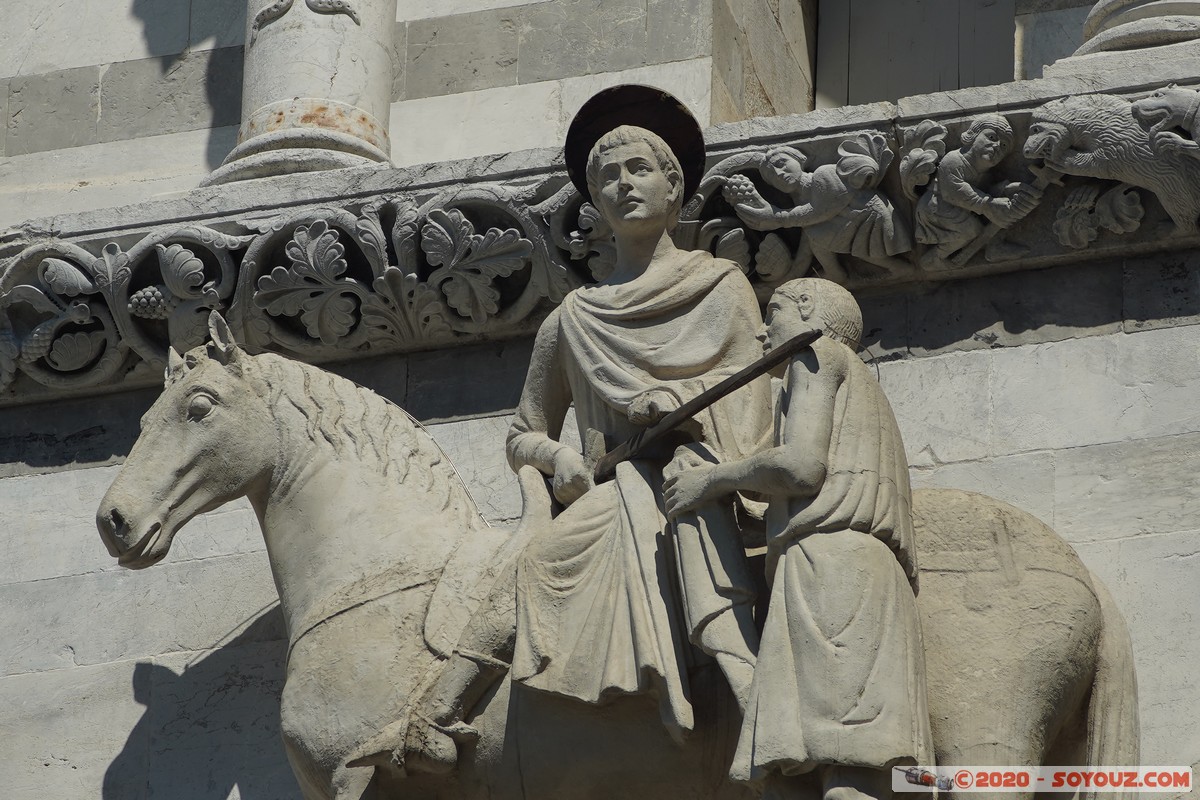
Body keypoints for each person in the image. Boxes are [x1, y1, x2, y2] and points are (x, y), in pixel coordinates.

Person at [400, 87, 773, 771]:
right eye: (606, 177)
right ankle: (446, 709)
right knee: (541, 557)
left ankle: (744, 682)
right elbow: (523, 431)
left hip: (703, 474)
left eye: (637, 169)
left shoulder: (722, 286)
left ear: (673, 183)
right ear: (594, 204)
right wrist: (558, 459)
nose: (622, 185)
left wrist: (683, 405)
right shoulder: (573, 319)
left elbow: (756, 393)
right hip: (615, 483)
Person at [664, 277, 933, 800]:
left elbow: (802, 468)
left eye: (776, 311)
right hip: (863, 571)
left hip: (829, 571)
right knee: (849, 772)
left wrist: (711, 479)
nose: (765, 333)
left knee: (845, 768)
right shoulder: (863, 386)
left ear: (808, 308)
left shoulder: (814, 355)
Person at [914, 114, 1040, 263]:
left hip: (959, 210)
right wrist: (988, 204)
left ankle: (994, 246)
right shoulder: (954, 160)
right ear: (973, 134)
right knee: (971, 230)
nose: (997, 146)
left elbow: (986, 192)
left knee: (1002, 208)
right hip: (936, 207)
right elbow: (953, 191)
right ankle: (935, 257)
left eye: (1004, 146)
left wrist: (1007, 189)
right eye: (991, 137)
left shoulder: (986, 175)